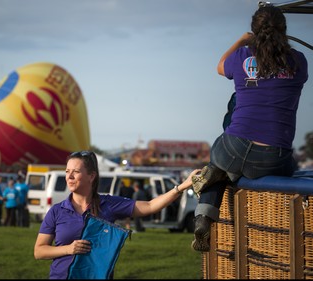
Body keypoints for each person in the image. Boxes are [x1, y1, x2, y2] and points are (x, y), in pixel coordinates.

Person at [190, 4, 308, 252]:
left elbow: (220, 66)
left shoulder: (243, 56)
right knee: (290, 165)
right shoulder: (298, 61)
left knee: (220, 165)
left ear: (254, 31)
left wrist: (243, 40)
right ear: (284, 31)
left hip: (232, 146)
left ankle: (204, 216)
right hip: (272, 157)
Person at [34, 150, 201, 279]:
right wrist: (68, 249)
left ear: (91, 176)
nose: (69, 176)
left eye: (75, 172)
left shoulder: (109, 204)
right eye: (67, 171)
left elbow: (150, 206)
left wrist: (183, 186)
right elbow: (39, 251)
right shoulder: (56, 211)